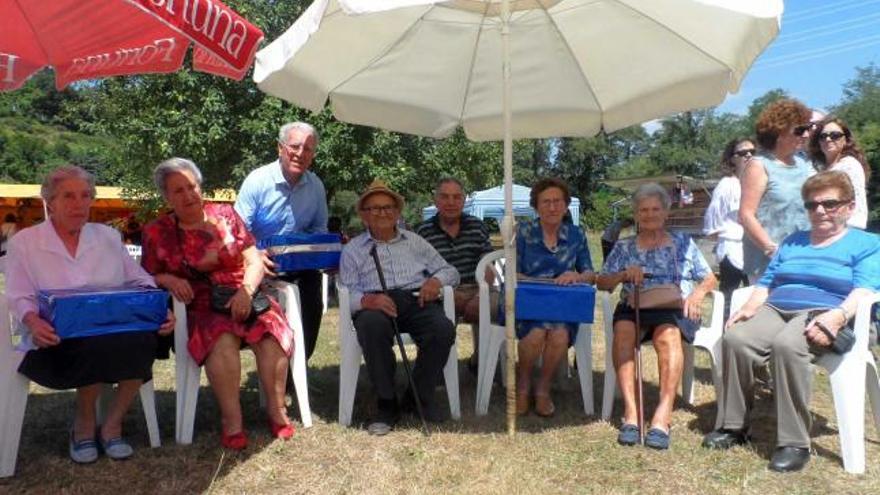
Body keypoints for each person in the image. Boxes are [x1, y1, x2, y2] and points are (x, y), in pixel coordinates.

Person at [703, 171, 880, 473]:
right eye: (812, 205)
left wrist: (837, 316)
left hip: (828, 312)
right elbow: (769, 280)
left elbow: (865, 290)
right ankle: (734, 426)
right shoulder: (794, 241)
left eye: (830, 203)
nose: (820, 210)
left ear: (849, 207)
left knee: (788, 344)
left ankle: (794, 442)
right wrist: (749, 307)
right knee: (736, 339)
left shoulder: (867, 243)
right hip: (776, 308)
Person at [5, 165, 174, 464]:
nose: (79, 204)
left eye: (85, 196)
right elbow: (19, 294)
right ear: (50, 201)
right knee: (95, 343)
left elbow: (139, 279)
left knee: (148, 337)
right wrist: (32, 321)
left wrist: (158, 307)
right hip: (54, 340)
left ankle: (112, 423)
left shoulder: (107, 236)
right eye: (68, 196)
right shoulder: (26, 242)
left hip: (112, 331)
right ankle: (84, 423)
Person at [143, 158, 295, 450]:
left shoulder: (226, 215)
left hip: (244, 292)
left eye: (192, 186)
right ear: (167, 197)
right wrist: (168, 279)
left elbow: (253, 260)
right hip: (199, 303)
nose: (188, 195)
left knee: (271, 332)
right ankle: (232, 421)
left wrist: (246, 292)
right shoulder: (156, 232)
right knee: (220, 337)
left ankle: (277, 411)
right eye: (178, 190)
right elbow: (146, 276)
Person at [597, 183, 716, 450]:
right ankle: (631, 413)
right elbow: (603, 283)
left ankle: (662, 415)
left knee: (668, 335)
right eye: (643, 210)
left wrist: (696, 295)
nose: (649, 215)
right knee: (624, 332)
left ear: (665, 212)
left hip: (672, 306)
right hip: (635, 305)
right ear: (636, 214)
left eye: (655, 209)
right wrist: (624, 273)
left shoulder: (682, 242)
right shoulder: (624, 246)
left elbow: (709, 278)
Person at [339, 179, 459, 436]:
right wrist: (366, 301)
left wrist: (435, 281)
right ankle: (387, 403)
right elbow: (346, 293)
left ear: (397, 212)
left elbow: (450, 270)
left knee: (442, 330)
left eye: (387, 207)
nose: (382, 213)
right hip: (375, 304)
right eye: (374, 208)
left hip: (415, 300)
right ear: (363, 215)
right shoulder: (352, 250)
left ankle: (418, 398)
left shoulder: (414, 242)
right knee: (371, 326)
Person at [235, 121, 328, 361]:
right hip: (257, 266)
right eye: (294, 146)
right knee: (271, 316)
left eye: (307, 149)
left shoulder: (316, 186)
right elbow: (236, 231)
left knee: (312, 297)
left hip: (297, 267)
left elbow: (319, 229)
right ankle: (274, 368)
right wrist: (255, 253)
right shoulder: (257, 181)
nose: (300, 153)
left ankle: (296, 372)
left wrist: (318, 249)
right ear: (280, 148)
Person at [515, 178, 596, 418]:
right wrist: (532, 281)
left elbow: (591, 274)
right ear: (536, 206)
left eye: (557, 202)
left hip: (563, 306)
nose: (552, 207)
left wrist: (576, 275)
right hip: (530, 303)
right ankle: (523, 385)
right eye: (546, 202)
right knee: (537, 332)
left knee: (560, 333)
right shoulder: (523, 231)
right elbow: (513, 272)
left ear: (565, 205)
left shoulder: (576, 234)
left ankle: (543, 388)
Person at [415, 177, 493, 373]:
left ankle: (483, 363)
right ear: (436, 200)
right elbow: (419, 273)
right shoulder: (423, 231)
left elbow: (488, 266)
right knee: (435, 314)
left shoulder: (478, 226)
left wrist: (480, 295)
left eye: (456, 197)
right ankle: (436, 369)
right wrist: (446, 294)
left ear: (464, 200)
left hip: (477, 288)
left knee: (497, 307)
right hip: (441, 291)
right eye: (445, 197)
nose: (451, 202)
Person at [740, 98, 815, 282]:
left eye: (808, 128)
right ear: (779, 132)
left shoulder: (805, 164)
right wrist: (771, 249)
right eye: (800, 130)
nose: (806, 134)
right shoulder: (759, 166)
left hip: (804, 255)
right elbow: (745, 215)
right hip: (769, 262)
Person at [703, 138, 754, 319]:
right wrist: (725, 235)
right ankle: (723, 337)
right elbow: (713, 218)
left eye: (752, 152)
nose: (748, 155)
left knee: (754, 293)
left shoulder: (758, 182)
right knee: (729, 295)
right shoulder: (727, 185)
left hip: (755, 247)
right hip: (732, 246)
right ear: (732, 158)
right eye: (742, 152)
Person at [808, 116, 870, 229]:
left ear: (845, 140)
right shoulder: (819, 169)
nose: (828, 139)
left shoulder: (849, 165)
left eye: (835, 135)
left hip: (846, 231)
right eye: (823, 136)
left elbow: (857, 204)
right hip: (824, 231)